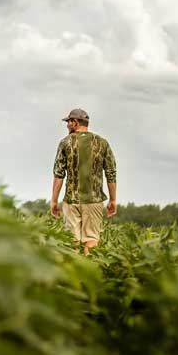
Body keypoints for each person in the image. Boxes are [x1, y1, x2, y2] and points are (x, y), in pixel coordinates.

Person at [50, 108, 117, 254]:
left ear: (75, 122)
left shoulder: (65, 143)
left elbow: (58, 174)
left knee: (72, 241)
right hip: (94, 200)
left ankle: (73, 274)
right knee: (91, 239)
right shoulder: (102, 143)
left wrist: (54, 201)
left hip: (71, 200)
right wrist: (113, 199)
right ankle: (89, 272)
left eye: (68, 122)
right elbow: (111, 173)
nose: (67, 125)